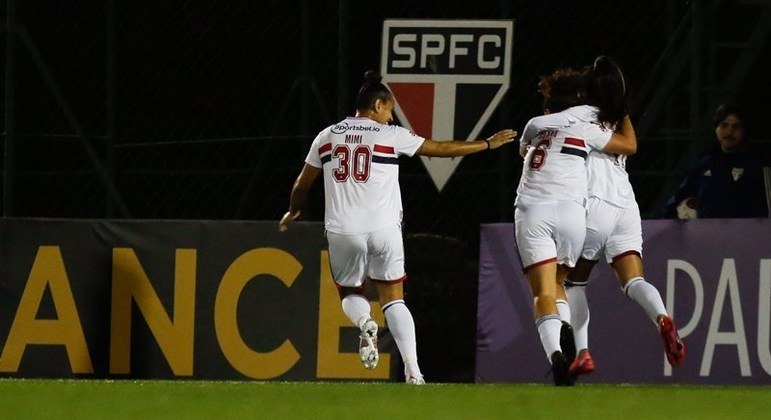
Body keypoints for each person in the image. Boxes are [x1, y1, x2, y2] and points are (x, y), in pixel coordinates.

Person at [278, 70, 516, 385]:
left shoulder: (326, 136)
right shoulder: (389, 136)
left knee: (350, 292)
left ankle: (365, 322)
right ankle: (414, 372)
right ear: (376, 105)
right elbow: (441, 149)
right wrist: (486, 144)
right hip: (384, 229)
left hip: (343, 230)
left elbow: (301, 185)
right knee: (394, 299)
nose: (391, 118)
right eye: (390, 110)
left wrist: (293, 210)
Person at [514, 62, 637, 386]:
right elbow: (628, 146)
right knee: (560, 284)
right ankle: (567, 330)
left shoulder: (534, 123)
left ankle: (556, 352)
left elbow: (524, 150)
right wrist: (618, 105)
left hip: (533, 210)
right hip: (571, 215)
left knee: (543, 292)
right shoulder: (587, 125)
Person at [563, 56, 686, 378]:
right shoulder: (618, 118)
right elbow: (631, 143)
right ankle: (661, 317)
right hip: (626, 206)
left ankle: (582, 352)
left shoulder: (576, 119)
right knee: (633, 280)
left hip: (595, 204)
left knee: (573, 282)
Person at [663, 103, 771, 219]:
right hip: (707, 234)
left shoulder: (757, 165)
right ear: (716, 129)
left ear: (744, 131)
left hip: (744, 234)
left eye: (736, 127)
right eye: (724, 125)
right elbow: (677, 200)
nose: (729, 132)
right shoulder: (704, 163)